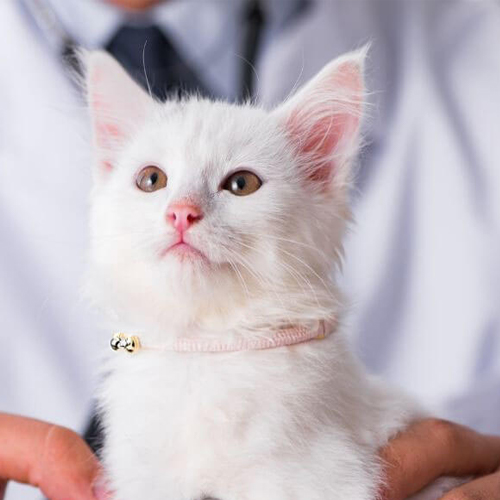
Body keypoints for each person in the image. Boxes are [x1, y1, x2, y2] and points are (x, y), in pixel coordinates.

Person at [1, 0, 499, 499]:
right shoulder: (131, 345)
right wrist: (129, 344)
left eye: (240, 183)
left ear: (321, 174)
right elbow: (130, 345)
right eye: (151, 179)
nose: (182, 210)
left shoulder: (479, 50)